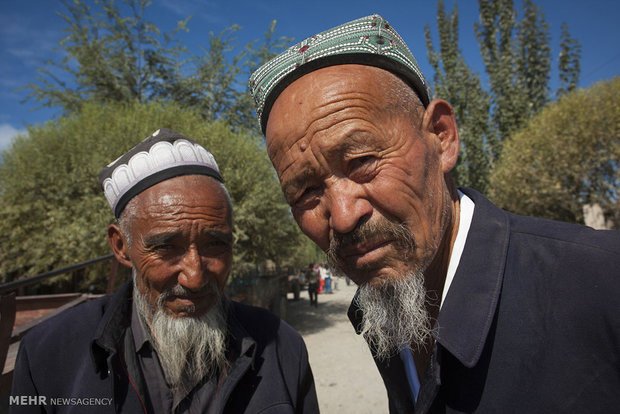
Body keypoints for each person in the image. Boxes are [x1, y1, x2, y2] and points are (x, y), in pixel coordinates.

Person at [249, 14, 620, 413]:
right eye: (304, 191)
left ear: (442, 138)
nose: (342, 216)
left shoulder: (603, 283)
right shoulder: (385, 315)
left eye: (362, 161)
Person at [10, 128, 319, 413]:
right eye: (166, 247)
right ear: (121, 247)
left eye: (215, 244)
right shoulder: (48, 355)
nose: (195, 277)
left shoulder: (281, 346)